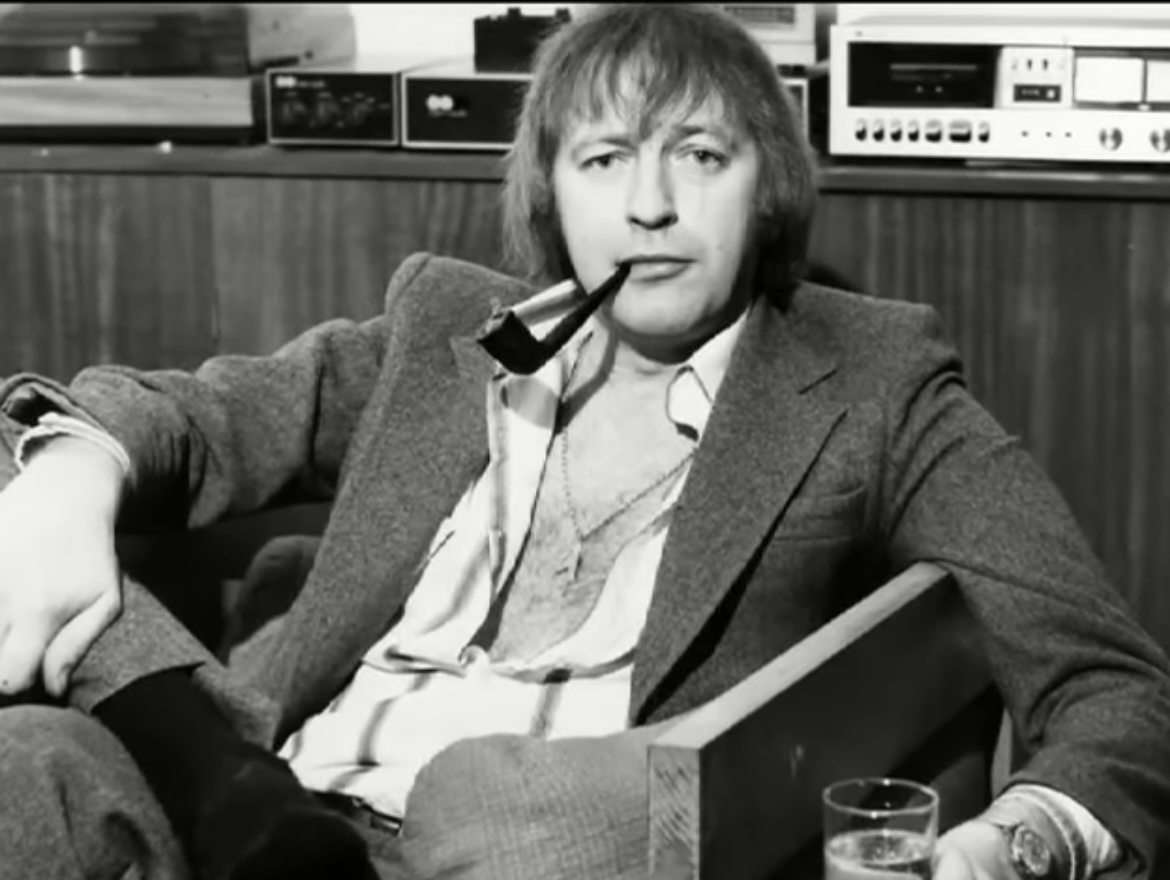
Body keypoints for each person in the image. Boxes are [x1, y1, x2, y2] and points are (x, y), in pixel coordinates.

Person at [1, 4, 1170, 879]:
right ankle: (229, 788)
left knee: (489, 802)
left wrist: (1014, 840)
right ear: (552, 195)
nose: (649, 204)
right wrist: (70, 480)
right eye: (605, 159)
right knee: (32, 762)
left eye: (699, 155)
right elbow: (181, 415)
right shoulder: (451, 330)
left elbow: (1112, 686)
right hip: (268, 811)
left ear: (766, 189)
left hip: (536, 835)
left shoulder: (870, 379)